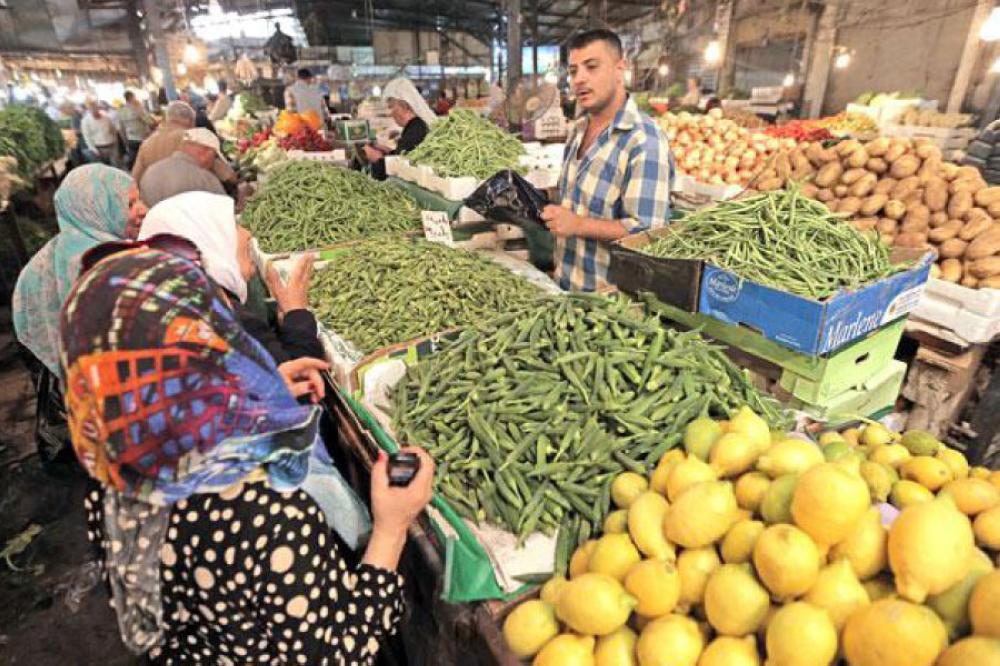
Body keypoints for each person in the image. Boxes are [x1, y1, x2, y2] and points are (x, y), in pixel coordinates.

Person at [60, 242, 434, 663]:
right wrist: (391, 528)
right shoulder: (269, 512)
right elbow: (337, 653)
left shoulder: (109, 475)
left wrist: (261, 390)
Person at [541, 29, 673, 292]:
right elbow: (575, 199)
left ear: (619, 69)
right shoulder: (578, 131)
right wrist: (543, 196)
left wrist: (577, 225)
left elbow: (649, 233)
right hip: (566, 291)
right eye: (574, 71)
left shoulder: (644, 141)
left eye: (591, 67)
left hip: (609, 305)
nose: (579, 79)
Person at [139, 192, 325, 363]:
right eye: (233, 226)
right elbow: (301, 378)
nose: (247, 234)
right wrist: (297, 313)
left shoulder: (180, 313)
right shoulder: (227, 322)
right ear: (210, 240)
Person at [12, 164, 136, 379]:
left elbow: (27, 326)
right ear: (97, 208)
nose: (142, 210)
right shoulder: (113, 261)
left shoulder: (42, 261)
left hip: (70, 383)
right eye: (129, 204)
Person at [132, 100, 236, 186]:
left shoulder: (146, 144)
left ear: (167, 119)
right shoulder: (192, 138)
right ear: (191, 121)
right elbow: (227, 176)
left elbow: (135, 180)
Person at [362, 78, 434, 180]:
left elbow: (401, 170)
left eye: (391, 107)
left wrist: (377, 159)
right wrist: (388, 151)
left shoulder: (416, 131)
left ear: (405, 106)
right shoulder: (415, 126)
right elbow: (403, 155)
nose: (390, 113)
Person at [138, 128, 227, 207]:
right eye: (214, 157)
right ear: (206, 153)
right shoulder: (207, 180)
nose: (212, 162)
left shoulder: (151, 171)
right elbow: (224, 213)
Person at [117, 91, 154, 170]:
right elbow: (149, 121)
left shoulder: (121, 111)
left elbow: (121, 128)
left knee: (135, 160)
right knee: (147, 160)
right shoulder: (136, 108)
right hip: (142, 138)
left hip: (130, 138)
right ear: (132, 97)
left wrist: (125, 141)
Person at [81, 101, 119, 166]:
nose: (95, 110)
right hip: (99, 148)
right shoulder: (85, 121)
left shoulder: (106, 117)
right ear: (89, 110)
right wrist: (93, 149)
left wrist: (115, 140)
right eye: (93, 109)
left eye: (97, 108)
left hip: (111, 144)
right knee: (104, 166)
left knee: (116, 165)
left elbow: (112, 129)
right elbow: (87, 136)